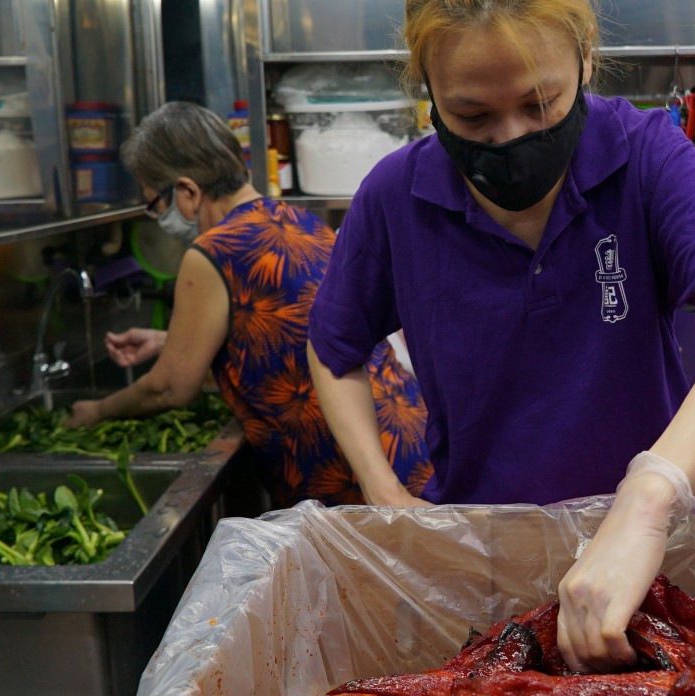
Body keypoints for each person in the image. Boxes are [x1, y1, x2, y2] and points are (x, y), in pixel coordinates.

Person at [306, 0, 695, 674]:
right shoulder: (395, 198)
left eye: (540, 104)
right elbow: (333, 349)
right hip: (483, 569)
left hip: (658, 560)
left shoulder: (645, 158)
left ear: (586, 61)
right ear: (426, 90)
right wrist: (386, 498)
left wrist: (646, 501)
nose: (511, 137)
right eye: (472, 116)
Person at [67, 101, 432, 509]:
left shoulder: (213, 251)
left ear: (186, 191)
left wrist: (96, 411)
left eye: (155, 204)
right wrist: (168, 339)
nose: (160, 217)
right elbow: (286, 327)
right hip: (405, 440)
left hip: (350, 472)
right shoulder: (300, 220)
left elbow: (170, 388)